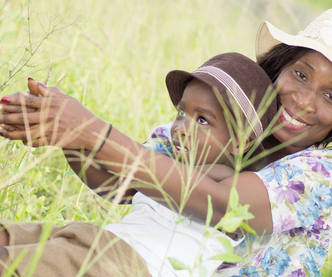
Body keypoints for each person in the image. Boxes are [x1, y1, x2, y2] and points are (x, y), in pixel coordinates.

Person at [0, 7, 332, 276]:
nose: (305, 100)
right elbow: (117, 180)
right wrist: (64, 134)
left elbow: (222, 203)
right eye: (300, 74)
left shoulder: (324, 174)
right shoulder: (224, 121)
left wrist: (90, 131)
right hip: (120, 248)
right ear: (279, 68)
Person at [0, 52, 278, 277]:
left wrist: (86, 130)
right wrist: (68, 138)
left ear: (240, 143)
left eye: (202, 120)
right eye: (181, 113)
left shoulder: (226, 180)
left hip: (126, 264)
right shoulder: (168, 163)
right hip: (100, 245)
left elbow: (188, 187)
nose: (181, 127)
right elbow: (112, 186)